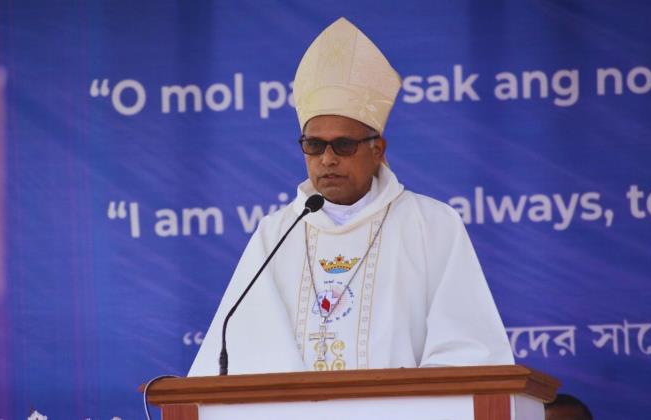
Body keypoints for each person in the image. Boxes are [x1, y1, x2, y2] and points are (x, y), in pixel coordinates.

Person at [188, 17, 513, 376]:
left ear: (377, 150)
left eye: (343, 145)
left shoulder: (431, 225)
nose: (327, 159)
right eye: (314, 145)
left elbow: (468, 350)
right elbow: (240, 352)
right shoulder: (276, 233)